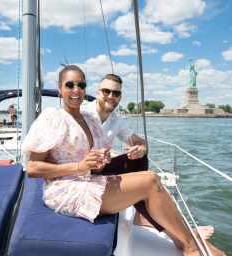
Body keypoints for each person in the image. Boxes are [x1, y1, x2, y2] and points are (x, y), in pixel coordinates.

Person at [22, 65, 226, 256]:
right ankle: (190, 244)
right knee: (150, 181)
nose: (76, 90)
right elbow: (32, 168)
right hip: (65, 188)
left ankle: (182, 239)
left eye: (81, 85)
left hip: (87, 179)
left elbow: (97, 163)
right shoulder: (53, 117)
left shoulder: (87, 119)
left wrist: (101, 160)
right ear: (60, 89)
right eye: (70, 85)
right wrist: (79, 166)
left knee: (147, 177)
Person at [81, 73, 216, 239]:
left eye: (116, 93)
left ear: (120, 96)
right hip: (82, 172)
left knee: (141, 158)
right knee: (149, 181)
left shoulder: (116, 119)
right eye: (106, 91)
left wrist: (141, 148)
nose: (111, 96)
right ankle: (154, 219)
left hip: (101, 168)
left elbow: (138, 141)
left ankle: (144, 213)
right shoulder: (82, 113)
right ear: (97, 91)